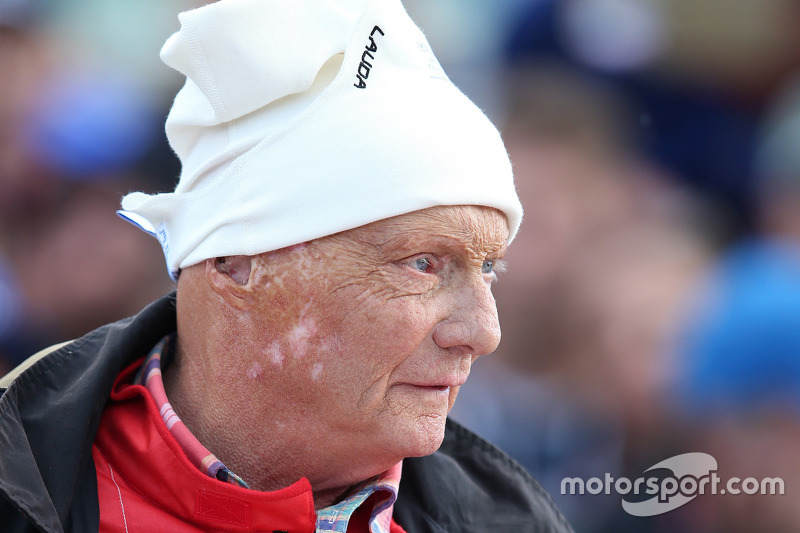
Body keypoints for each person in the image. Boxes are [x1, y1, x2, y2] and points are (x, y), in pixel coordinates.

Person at [0, 0, 573, 531]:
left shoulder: (514, 520)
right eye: (423, 264)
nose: (484, 332)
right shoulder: (22, 485)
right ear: (234, 261)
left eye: (488, 266)